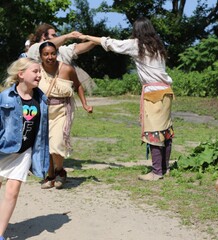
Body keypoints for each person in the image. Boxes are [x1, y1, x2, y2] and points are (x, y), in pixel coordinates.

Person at [79, 17, 174, 181]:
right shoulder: (157, 45)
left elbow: (110, 43)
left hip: (153, 93)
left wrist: (87, 37)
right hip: (166, 91)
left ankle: (157, 171)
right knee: (165, 130)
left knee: (154, 131)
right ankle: (164, 168)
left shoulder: (137, 45)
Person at [0, 58, 49, 240]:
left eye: (39, 71)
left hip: (24, 152)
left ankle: (0, 233)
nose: (39, 75)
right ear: (21, 74)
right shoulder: (5, 97)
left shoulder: (41, 98)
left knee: (12, 191)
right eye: (35, 71)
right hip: (3, 149)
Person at [39, 41, 93, 189]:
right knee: (45, 145)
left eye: (52, 53)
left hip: (62, 110)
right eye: (46, 54)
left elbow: (78, 85)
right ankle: (50, 175)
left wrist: (85, 104)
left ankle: (60, 171)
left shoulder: (66, 69)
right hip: (43, 112)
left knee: (57, 143)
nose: (50, 57)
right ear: (40, 56)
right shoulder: (37, 70)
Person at [27, 23, 97, 95]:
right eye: (53, 35)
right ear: (44, 36)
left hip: (63, 99)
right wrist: (68, 36)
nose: (56, 37)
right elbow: (47, 44)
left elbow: (77, 48)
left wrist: (96, 41)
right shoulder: (34, 48)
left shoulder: (61, 50)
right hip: (40, 98)